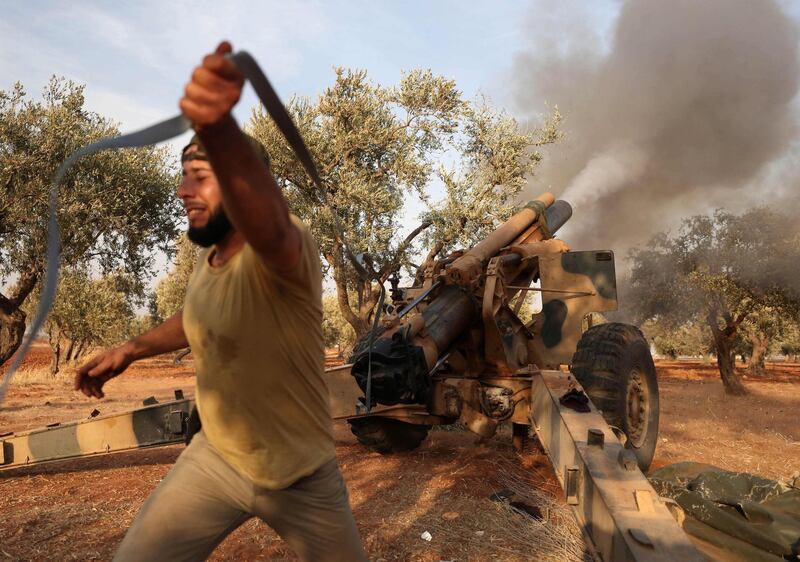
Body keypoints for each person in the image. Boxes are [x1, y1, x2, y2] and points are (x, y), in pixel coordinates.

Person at [74, 41, 368, 562]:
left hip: (300, 474)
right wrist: (131, 349)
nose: (185, 190)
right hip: (216, 458)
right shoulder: (209, 262)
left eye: (203, 177)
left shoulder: (285, 249)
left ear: (242, 183)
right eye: (184, 176)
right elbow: (196, 319)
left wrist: (220, 130)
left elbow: (269, 220)